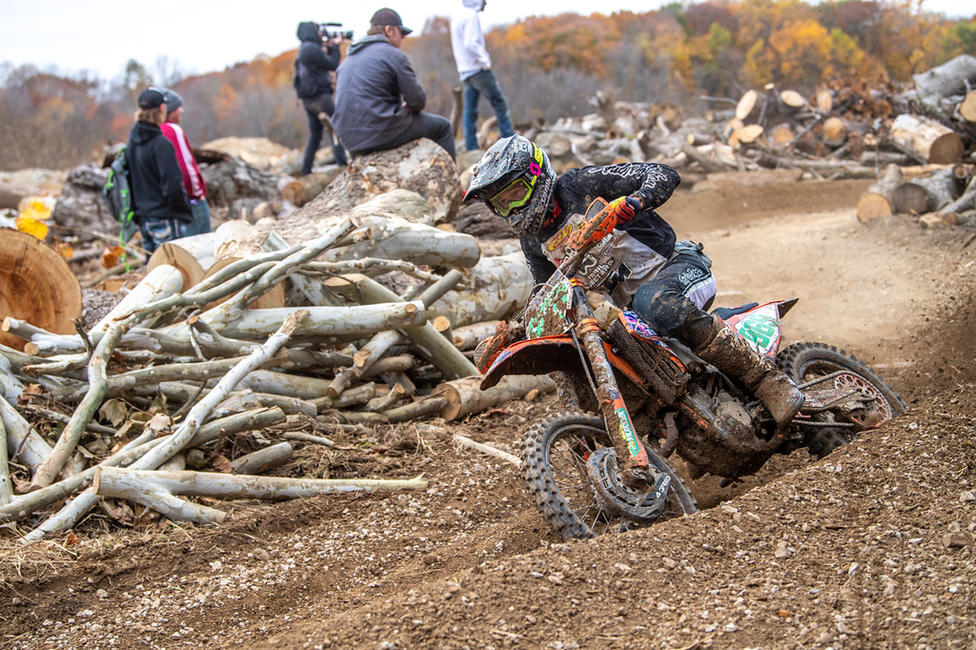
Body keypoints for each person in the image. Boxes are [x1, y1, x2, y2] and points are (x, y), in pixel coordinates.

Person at [464, 135, 804, 480]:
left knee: (654, 302)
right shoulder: (533, 242)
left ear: (537, 175)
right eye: (501, 203)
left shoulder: (581, 185)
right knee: (601, 358)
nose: (513, 208)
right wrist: (519, 330)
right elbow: (548, 290)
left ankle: (769, 381)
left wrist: (633, 202)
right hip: (630, 316)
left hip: (677, 267)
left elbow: (662, 173)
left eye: (515, 194)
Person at [332, 8, 456, 161]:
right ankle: (453, 184)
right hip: (380, 132)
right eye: (401, 33)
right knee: (443, 127)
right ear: (389, 30)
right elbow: (418, 100)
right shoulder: (392, 54)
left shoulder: (346, 62)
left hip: (350, 141)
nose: (403, 39)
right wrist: (408, 107)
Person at [126, 87, 193, 255]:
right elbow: (172, 185)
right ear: (162, 109)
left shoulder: (132, 144)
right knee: (176, 270)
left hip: (144, 219)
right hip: (165, 218)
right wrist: (183, 209)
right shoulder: (161, 144)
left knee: (154, 271)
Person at [450, 0, 515, 152]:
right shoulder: (471, 16)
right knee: (499, 102)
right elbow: (471, 44)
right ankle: (510, 140)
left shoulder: (457, 17)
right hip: (477, 68)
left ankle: (471, 146)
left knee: (470, 110)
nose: (486, 4)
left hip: (465, 70)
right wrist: (485, 61)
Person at [294, 21, 348, 174]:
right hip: (320, 97)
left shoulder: (303, 50)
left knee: (315, 135)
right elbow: (332, 64)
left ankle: (306, 171)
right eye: (318, 30)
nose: (320, 34)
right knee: (336, 128)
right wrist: (335, 47)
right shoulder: (311, 48)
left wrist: (328, 47)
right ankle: (342, 166)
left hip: (308, 100)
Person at [159, 88, 210, 236]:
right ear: (170, 110)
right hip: (189, 202)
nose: (182, 110)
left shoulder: (156, 131)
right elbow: (185, 167)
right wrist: (197, 194)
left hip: (168, 206)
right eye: (178, 107)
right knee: (204, 250)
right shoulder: (173, 130)